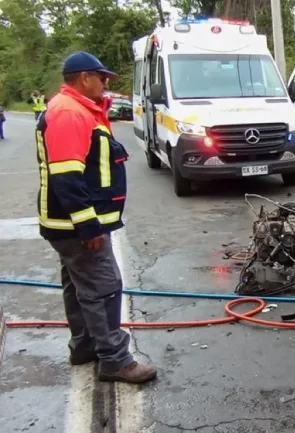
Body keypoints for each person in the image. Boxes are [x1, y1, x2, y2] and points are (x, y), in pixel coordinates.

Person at [36, 51, 157, 383]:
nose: (106, 84)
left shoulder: (78, 110)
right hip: (75, 225)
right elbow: (67, 178)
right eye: (101, 78)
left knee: (79, 287)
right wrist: (89, 226)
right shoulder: (69, 113)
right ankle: (115, 359)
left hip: (67, 225)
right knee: (104, 287)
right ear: (84, 78)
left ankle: (86, 345)